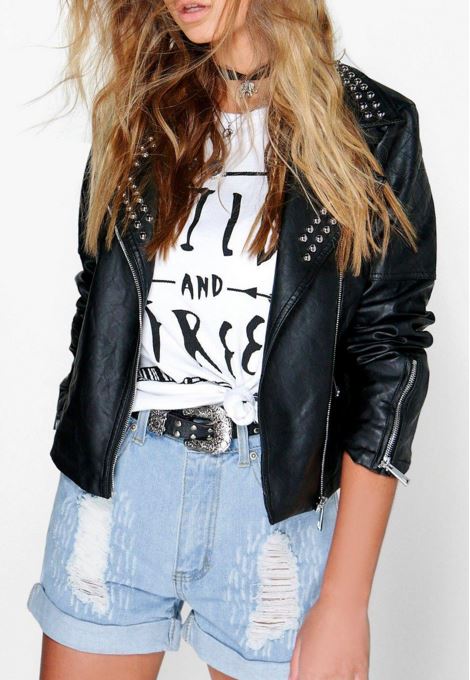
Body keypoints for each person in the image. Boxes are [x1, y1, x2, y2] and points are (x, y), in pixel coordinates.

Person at [26, 1, 437, 679]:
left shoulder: (372, 125)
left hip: (272, 512)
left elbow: (387, 359)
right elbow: (97, 293)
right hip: (116, 492)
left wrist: (346, 599)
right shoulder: (141, 111)